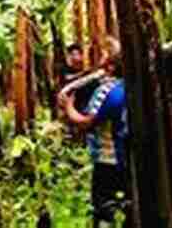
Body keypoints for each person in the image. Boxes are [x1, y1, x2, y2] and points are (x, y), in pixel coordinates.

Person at [59, 38, 128, 228]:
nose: (100, 59)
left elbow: (86, 123)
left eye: (105, 56)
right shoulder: (129, 86)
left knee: (103, 208)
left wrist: (69, 107)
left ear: (112, 66)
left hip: (108, 159)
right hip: (126, 158)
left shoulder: (108, 91)